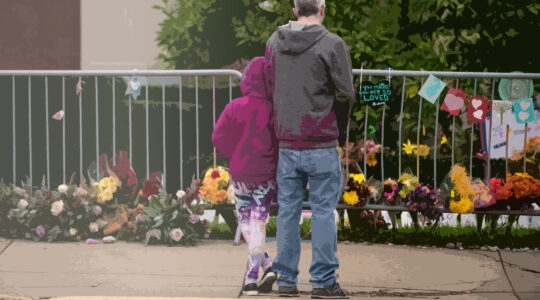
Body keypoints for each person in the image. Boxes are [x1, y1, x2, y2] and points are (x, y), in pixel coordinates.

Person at [265, 0, 354, 298]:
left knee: (288, 212)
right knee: (323, 213)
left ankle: (286, 281)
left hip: (287, 141)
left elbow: (269, 86)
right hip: (322, 141)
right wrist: (337, 131)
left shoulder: (274, 43)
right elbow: (345, 93)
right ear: (323, 8)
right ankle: (323, 282)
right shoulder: (332, 44)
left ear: (294, 10)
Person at [211, 56, 278, 296]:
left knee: (247, 225)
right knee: (257, 225)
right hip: (266, 176)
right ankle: (267, 266)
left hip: (240, 176)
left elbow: (217, 137)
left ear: (247, 78)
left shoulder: (234, 106)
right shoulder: (273, 110)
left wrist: (235, 152)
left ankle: (252, 279)